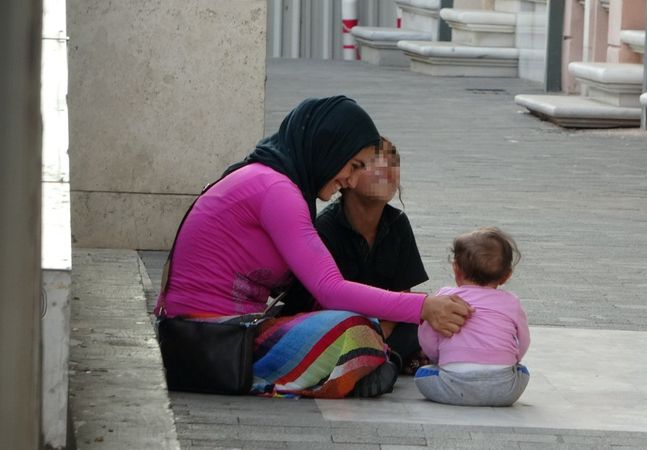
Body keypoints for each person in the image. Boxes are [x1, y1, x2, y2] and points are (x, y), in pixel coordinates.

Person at [155, 96, 471, 398]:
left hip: (216, 331)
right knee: (356, 330)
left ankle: (360, 367)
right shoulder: (277, 191)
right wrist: (422, 307)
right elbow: (329, 289)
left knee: (359, 323)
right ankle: (355, 370)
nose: (351, 179)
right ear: (327, 148)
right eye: (354, 164)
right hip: (209, 336)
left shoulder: (271, 180)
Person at [279, 136, 430, 373]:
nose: (387, 167)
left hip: (382, 327)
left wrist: (381, 333)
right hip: (332, 325)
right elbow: (319, 303)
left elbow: (404, 295)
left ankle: (378, 359)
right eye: (374, 160)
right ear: (349, 176)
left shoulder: (397, 223)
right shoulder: (325, 228)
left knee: (425, 325)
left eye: (393, 161)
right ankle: (381, 361)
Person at [414, 227, 530, 406]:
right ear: (506, 276)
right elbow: (523, 341)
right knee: (522, 372)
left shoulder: (444, 298)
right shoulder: (512, 302)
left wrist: (438, 360)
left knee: (422, 374)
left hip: (452, 386)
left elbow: (427, 337)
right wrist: (511, 361)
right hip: (504, 390)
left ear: (456, 269)